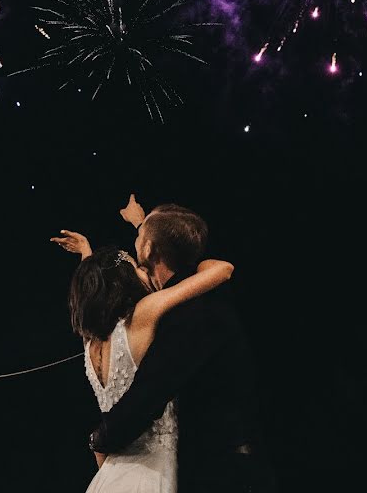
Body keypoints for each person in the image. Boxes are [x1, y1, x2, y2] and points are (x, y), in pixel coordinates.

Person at [56, 197, 257, 493]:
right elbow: (221, 270)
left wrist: (88, 253)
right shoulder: (146, 313)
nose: (142, 268)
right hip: (154, 473)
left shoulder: (92, 339)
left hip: (110, 476)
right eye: (136, 269)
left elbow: (94, 290)